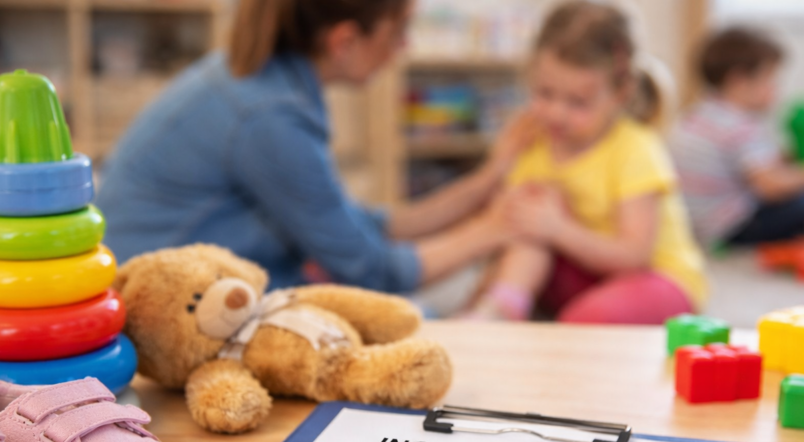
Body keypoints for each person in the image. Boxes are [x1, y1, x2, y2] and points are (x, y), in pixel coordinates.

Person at [97, 0, 529, 293]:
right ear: (343, 42)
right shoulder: (270, 114)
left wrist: (489, 182)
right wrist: (495, 231)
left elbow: (362, 224)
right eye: (398, 32)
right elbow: (369, 268)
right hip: (163, 308)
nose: (404, 47)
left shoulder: (261, 79)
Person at [465, 1, 707, 325]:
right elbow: (507, 234)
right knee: (530, 215)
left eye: (577, 102)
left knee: (586, 318)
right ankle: (497, 311)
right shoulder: (533, 141)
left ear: (621, 92)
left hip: (654, 276)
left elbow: (635, 256)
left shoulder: (635, 148)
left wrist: (557, 228)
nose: (556, 114)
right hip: (580, 271)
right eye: (544, 93)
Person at [670, 26, 804, 247]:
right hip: (731, 228)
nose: (775, 89)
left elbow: (747, 165)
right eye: (769, 80)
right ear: (739, 80)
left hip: (694, 225)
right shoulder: (741, 124)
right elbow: (770, 187)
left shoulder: (699, 114)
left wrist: (786, 159)